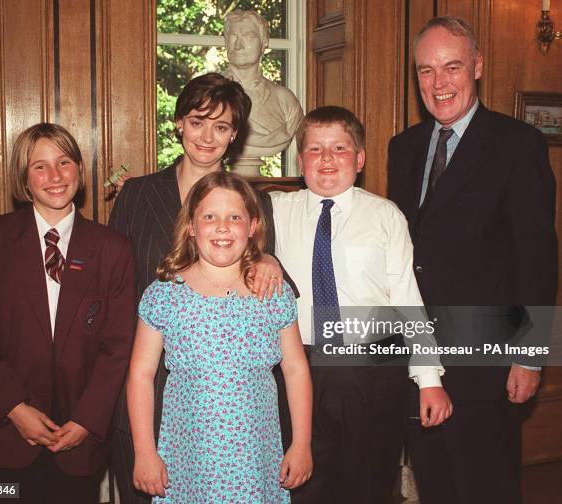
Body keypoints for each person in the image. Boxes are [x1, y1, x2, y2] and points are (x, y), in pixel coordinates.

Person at [387, 16, 557, 504]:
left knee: (486, 485)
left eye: (451, 67)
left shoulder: (517, 144)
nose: (438, 83)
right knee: (435, 480)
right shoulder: (403, 148)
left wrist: (529, 354)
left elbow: (537, 256)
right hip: (419, 357)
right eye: (425, 71)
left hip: (487, 362)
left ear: (477, 67)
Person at [109, 72, 290, 504]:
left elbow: (264, 283)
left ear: (234, 136)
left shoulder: (255, 199)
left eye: (222, 126)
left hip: (233, 408)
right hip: (146, 390)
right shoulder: (136, 194)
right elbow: (113, 285)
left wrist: (271, 258)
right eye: (197, 121)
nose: (207, 137)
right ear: (178, 124)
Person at [270, 106, 451, 504]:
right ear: (300, 161)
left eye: (339, 147)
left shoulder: (386, 216)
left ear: (360, 158)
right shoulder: (276, 213)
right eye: (315, 149)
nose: (327, 158)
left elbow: (407, 299)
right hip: (301, 369)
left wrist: (429, 381)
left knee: (367, 485)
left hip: (373, 371)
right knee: (302, 485)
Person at [0, 123, 135, 503]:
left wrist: (86, 420)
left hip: (80, 437)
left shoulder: (113, 248)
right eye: (40, 166)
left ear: (78, 169)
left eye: (64, 162)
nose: (54, 176)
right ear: (24, 177)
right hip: (9, 434)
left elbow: (118, 347)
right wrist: (15, 409)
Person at [127, 171, 312, 502]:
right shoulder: (164, 294)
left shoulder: (272, 293)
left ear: (252, 226)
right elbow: (141, 374)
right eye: (209, 216)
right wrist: (144, 451)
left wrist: (301, 443)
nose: (223, 226)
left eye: (235, 217)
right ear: (191, 227)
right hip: (188, 461)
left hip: (255, 460)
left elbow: (296, 369)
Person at [223, 9, 303, 161]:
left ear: (264, 42)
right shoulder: (210, 96)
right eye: (233, 37)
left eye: (248, 36)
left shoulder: (286, 101)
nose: (238, 45)